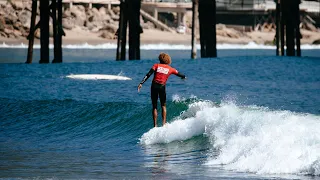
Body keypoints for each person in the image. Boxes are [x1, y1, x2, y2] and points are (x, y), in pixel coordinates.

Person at [138, 53, 186, 127]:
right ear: (168, 60)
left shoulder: (156, 65)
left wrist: (141, 83)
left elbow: (149, 74)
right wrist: (184, 77)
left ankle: (155, 125)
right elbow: (179, 74)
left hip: (154, 86)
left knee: (154, 106)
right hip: (162, 87)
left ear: (160, 59)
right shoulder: (170, 69)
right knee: (163, 105)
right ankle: (163, 124)